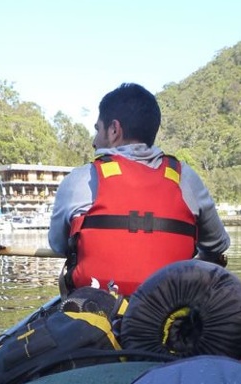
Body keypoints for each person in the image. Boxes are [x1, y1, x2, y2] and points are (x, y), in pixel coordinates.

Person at [48, 83, 230, 297]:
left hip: (94, 315)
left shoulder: (79, 180)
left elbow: (58, 245)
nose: (94, 141)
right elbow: (217, 245)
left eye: (97, 129)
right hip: (169, 314)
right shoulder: (186, 179)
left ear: (114, 130)